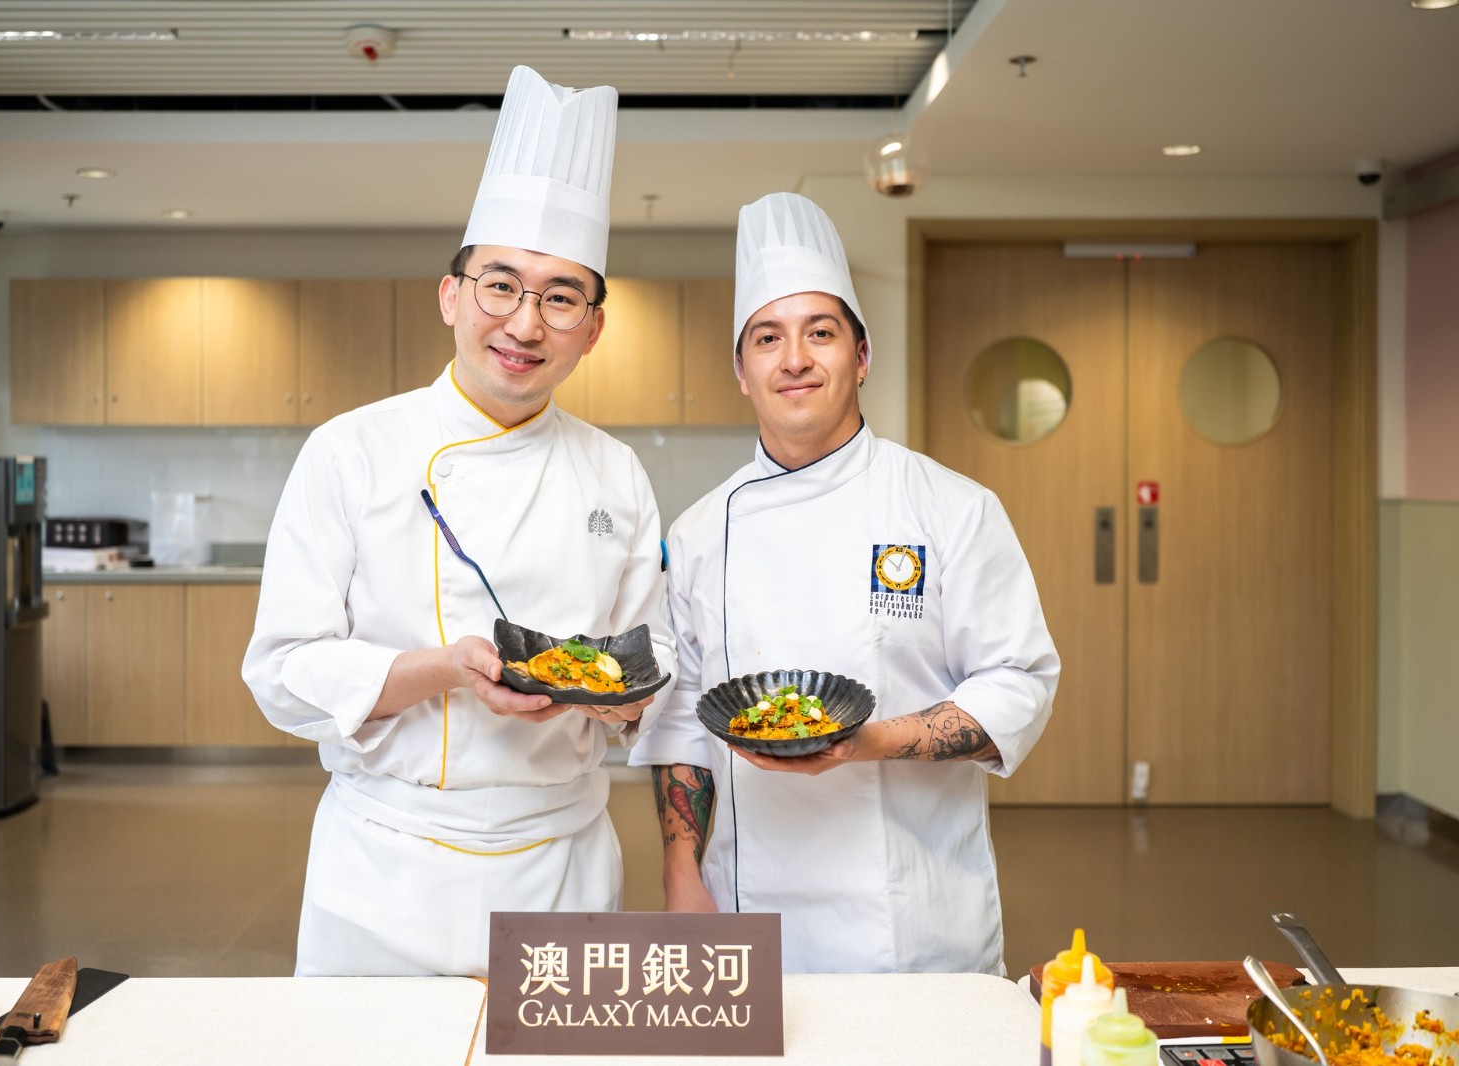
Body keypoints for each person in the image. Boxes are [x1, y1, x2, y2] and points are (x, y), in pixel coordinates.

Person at [243, 66, 675, 977]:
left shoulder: (616, 472)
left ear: (593, 329)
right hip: (383, 869)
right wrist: (440, 670)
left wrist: (633, 698)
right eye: (501, 286)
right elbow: (281, 673)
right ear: (451, 296)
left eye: (561, 297)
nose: (525, 324)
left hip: (561, 864)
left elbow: (651, 655)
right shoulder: (350, 450)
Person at [628, 192, 1059, 975]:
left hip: (913, 921)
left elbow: (1018, 681)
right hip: (747, 904)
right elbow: (684, 714)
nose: (794, 358)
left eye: (820, 332)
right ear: (742, 371)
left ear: (861, 357)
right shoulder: (697, 533)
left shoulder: (950, 507)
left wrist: (871, 742)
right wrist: (681, 876)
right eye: (768, 337)